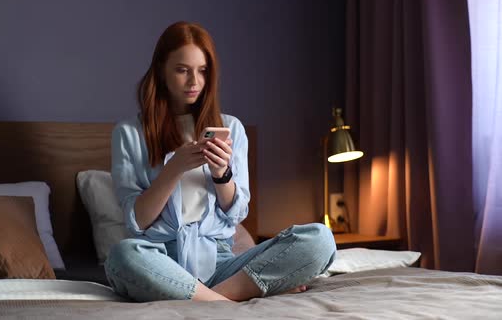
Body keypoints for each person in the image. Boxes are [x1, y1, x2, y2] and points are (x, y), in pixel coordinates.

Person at [106, 21, 336, 302]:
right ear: (161, 70)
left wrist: (221, 174)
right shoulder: (129, 133)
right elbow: (137, 221)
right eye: (182, 70)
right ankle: (231, 300)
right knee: (122, 256)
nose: (194, 82)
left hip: (223, 264)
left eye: (203, 71)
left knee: (320, 239)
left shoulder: (231, 128)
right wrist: (174, 169)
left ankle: (211, 298)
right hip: (162, 261)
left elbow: (237, 214)